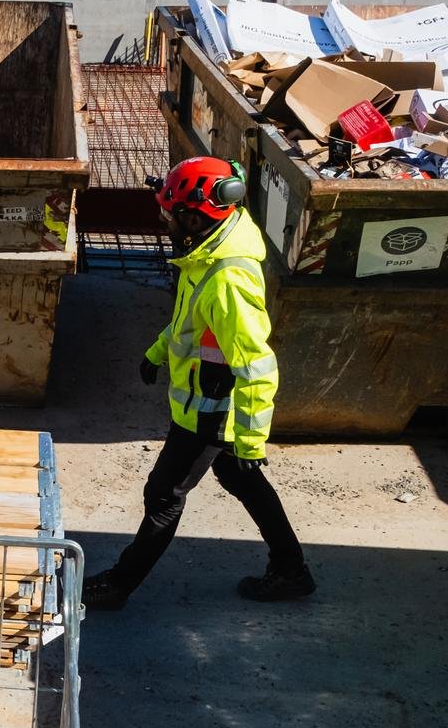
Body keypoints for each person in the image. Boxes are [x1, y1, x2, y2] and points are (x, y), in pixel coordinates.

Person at [82, 156, 314, 611]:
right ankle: (291, 569)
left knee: (165, 494)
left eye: (171, 214)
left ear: (198, 215)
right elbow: (189, 323)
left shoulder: (227, 277)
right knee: (240, 479)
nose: (165, 221)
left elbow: (257, 365)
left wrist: (250, 442)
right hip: (203, 403)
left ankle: (119, 585)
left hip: (210, 411)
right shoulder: (207, 256)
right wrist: (157, 351)